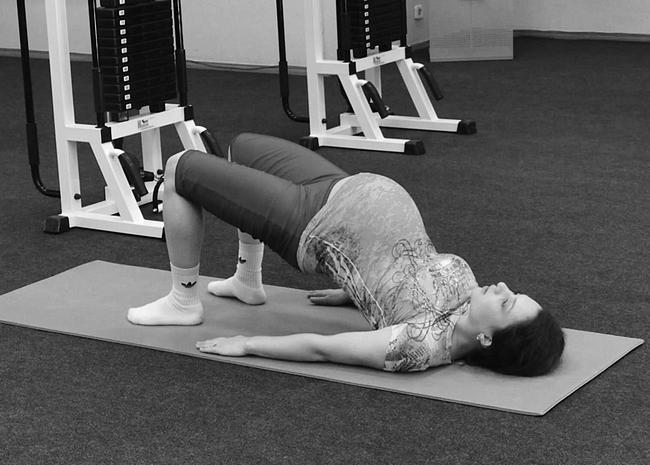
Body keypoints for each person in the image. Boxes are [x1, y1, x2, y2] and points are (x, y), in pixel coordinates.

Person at [128, 133, 565, 376]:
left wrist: (247, 345)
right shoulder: (468, 302)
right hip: (341, 187)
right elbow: (402, 281)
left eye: (507, 302)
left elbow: (325, 349)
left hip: (311, 223)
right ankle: (247, 280)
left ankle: (183, 301)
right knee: (240, 148)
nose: (502, 287)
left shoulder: (417, 346)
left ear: (486, 339)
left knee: (180, 167)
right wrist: (356, 291)